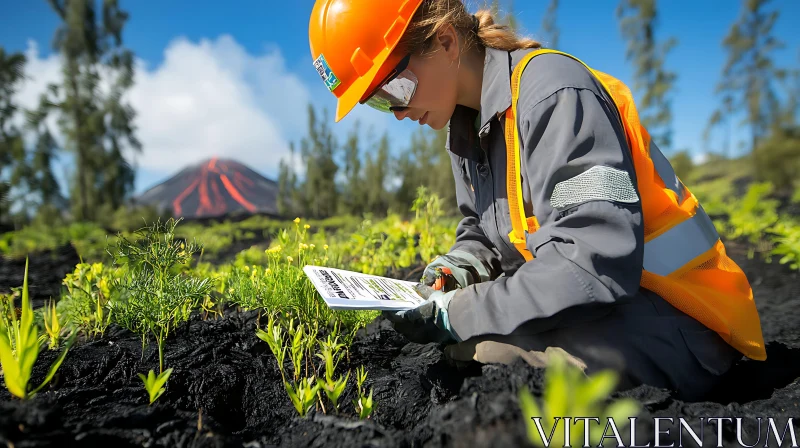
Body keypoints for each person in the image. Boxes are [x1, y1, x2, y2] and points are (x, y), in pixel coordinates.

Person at [308, 0, 766, 401]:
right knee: (466, 353)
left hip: (683, 319)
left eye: (395, 89)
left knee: (487, 359)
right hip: (603, 305)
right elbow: (480, 231)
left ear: (446, 42)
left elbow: (590, 263)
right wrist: (458, 269)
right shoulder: (465, 130)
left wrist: (455, 312)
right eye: (377, 102)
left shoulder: (554, 93)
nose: (399, 112)